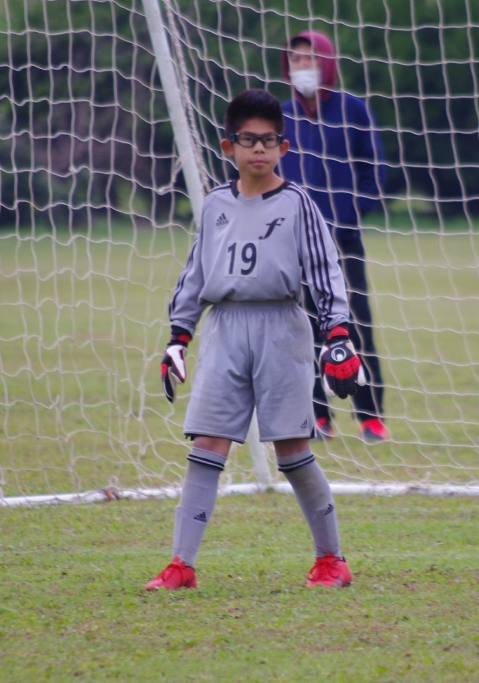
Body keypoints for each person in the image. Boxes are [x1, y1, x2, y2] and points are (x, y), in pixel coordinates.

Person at [145, 89, 365, 591]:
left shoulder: (298, 204)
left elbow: (326, 272)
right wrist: (179, 336)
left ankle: (332, 560)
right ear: (229, 147)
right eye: (248, 140)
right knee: (207, 443)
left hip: (281, 328)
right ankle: (181, 565)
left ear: (283, 148)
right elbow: (195, 275)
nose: (259, 149)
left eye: (268, 140)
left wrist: (337, 334)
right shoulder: (215, 205)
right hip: (224, 331)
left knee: (292, 449)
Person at [279, 31, 389, 443]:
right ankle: (318, 417)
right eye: (296, 60)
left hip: (343, 241)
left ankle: (370, 416)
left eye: (309, 58)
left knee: (354, 325)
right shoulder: (281, 116)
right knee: (302, 330)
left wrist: (351, 215)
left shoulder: (354, 110)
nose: (302, 66)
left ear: (326, 62)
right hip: (293, 245)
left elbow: (373, 169)